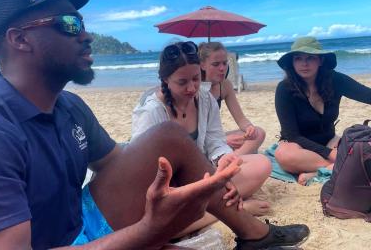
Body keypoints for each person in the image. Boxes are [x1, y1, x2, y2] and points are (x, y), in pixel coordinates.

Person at [0, 0, 309, 249]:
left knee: (169, 136)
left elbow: (118, 162)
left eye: (83, 24)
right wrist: (148, 231)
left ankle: (253, 235)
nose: (87, 36)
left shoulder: (70, 107)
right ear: (20, 39)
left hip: (84, 215)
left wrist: (201, 182)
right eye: (69, 25)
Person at [132, 41, 273, 235]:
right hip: (169, 188)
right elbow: (140, 171)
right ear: (165, 79)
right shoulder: (151, 112)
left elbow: (215, 143)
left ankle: (211, 208)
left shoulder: (205, 100)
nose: (191, 88)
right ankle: (222, 212)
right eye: (182, 82)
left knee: (262, 163)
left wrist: (224, 159)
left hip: (200, 175)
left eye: (196, 79)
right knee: (154, 223)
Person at [273, 36, 371, 185]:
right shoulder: (284, 89)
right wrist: (331, 155)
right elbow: (292, 135)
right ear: (292, 63)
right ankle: (332, 167)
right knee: (282, 155)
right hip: (299, 147)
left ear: (321, 60)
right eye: (298, 58)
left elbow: (367, 95)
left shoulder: (335, 80)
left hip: (331, 141)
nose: (304, 64)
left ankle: (319, 171)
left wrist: (332, 150)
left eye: (310, 58)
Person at [199, 42, 266, 155]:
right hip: (199, 141)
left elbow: (241, 119)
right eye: (216, 64)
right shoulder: (195, 88)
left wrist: (249, 128)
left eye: (225, 63)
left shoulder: (225, 85)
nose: (222, 68)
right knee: (250, 151)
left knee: (258, 133)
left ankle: (230, 160)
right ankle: (230, 161)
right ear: (202, 65)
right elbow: (192, 133)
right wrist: (223, 141)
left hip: (216, 137)